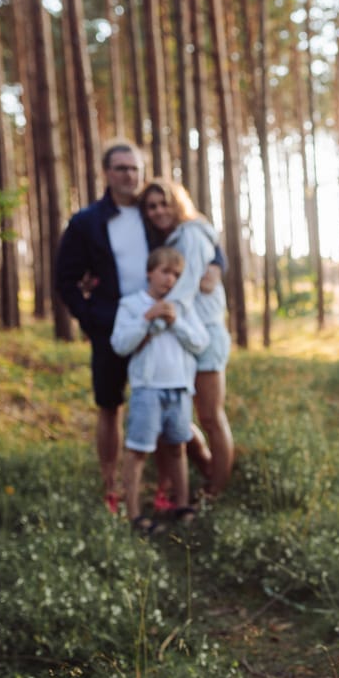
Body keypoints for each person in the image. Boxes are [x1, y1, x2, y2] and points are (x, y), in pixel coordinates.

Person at [55, 140, 152, 513]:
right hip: (110, 329)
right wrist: (93, 319)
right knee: (110, 406)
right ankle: (111, 487)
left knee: (156, 401)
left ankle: (161, 485)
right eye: (121, 168)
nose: (128, 175)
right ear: (106, 173)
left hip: (155, 329)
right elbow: (66, 279)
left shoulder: (155, 212)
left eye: (134, 168)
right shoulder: (86, 222)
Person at [137, 178, 234, 499]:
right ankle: (206, 465)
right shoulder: (170, 239)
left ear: (178, 202)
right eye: (151, 206)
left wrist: (155, 323)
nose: (158, 211)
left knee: (209, 415)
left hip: (204, 332)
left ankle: (216, 490)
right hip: (182, 335)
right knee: (174, 411)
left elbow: (186, 286)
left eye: (164, 203)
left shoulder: (191, 234)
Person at [110, 246, 208, 531]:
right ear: (149, 272)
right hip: (147, 390)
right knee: (138, 449)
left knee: (177, 447)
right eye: (165, 272)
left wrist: (175, 322)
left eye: (177, 275)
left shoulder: (183, 307)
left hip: (179, 389)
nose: (170, 280)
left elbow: (200, 343)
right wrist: (147, 319)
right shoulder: (132, 305)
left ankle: (182, 504)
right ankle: (135, 513)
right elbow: (120, 345)